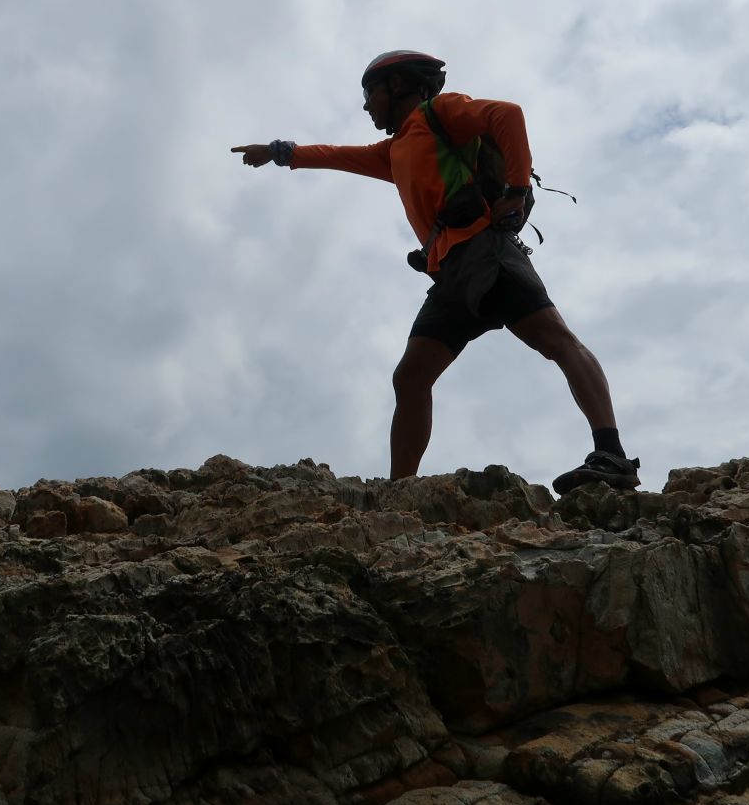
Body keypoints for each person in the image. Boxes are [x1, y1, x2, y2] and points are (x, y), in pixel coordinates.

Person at [232, 50, 639, 494]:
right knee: (410, 376)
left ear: (399, 85)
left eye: (370, 93)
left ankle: (612, 455)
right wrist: (280, 152)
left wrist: (517, 189)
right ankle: (400, 492)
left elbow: (508, 114)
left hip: (487, 252)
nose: (366, 105)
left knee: (556, 340)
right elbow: (338, 155)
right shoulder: (393, 151)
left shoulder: (438, 113)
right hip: (450, 277)